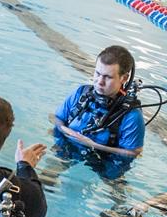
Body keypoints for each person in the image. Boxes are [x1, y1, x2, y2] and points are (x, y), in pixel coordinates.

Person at [53, 45, 144, 179]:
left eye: (108, 77)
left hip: (105, 160)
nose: (99, 82)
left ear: (124, 78)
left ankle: (118, 187)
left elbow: (133, 152)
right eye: (97, 73)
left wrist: (94, 145)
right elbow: (56, 118)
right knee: (46, 178)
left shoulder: (131, 116)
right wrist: (64, 129)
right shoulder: (81, 93)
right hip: (70, 147)